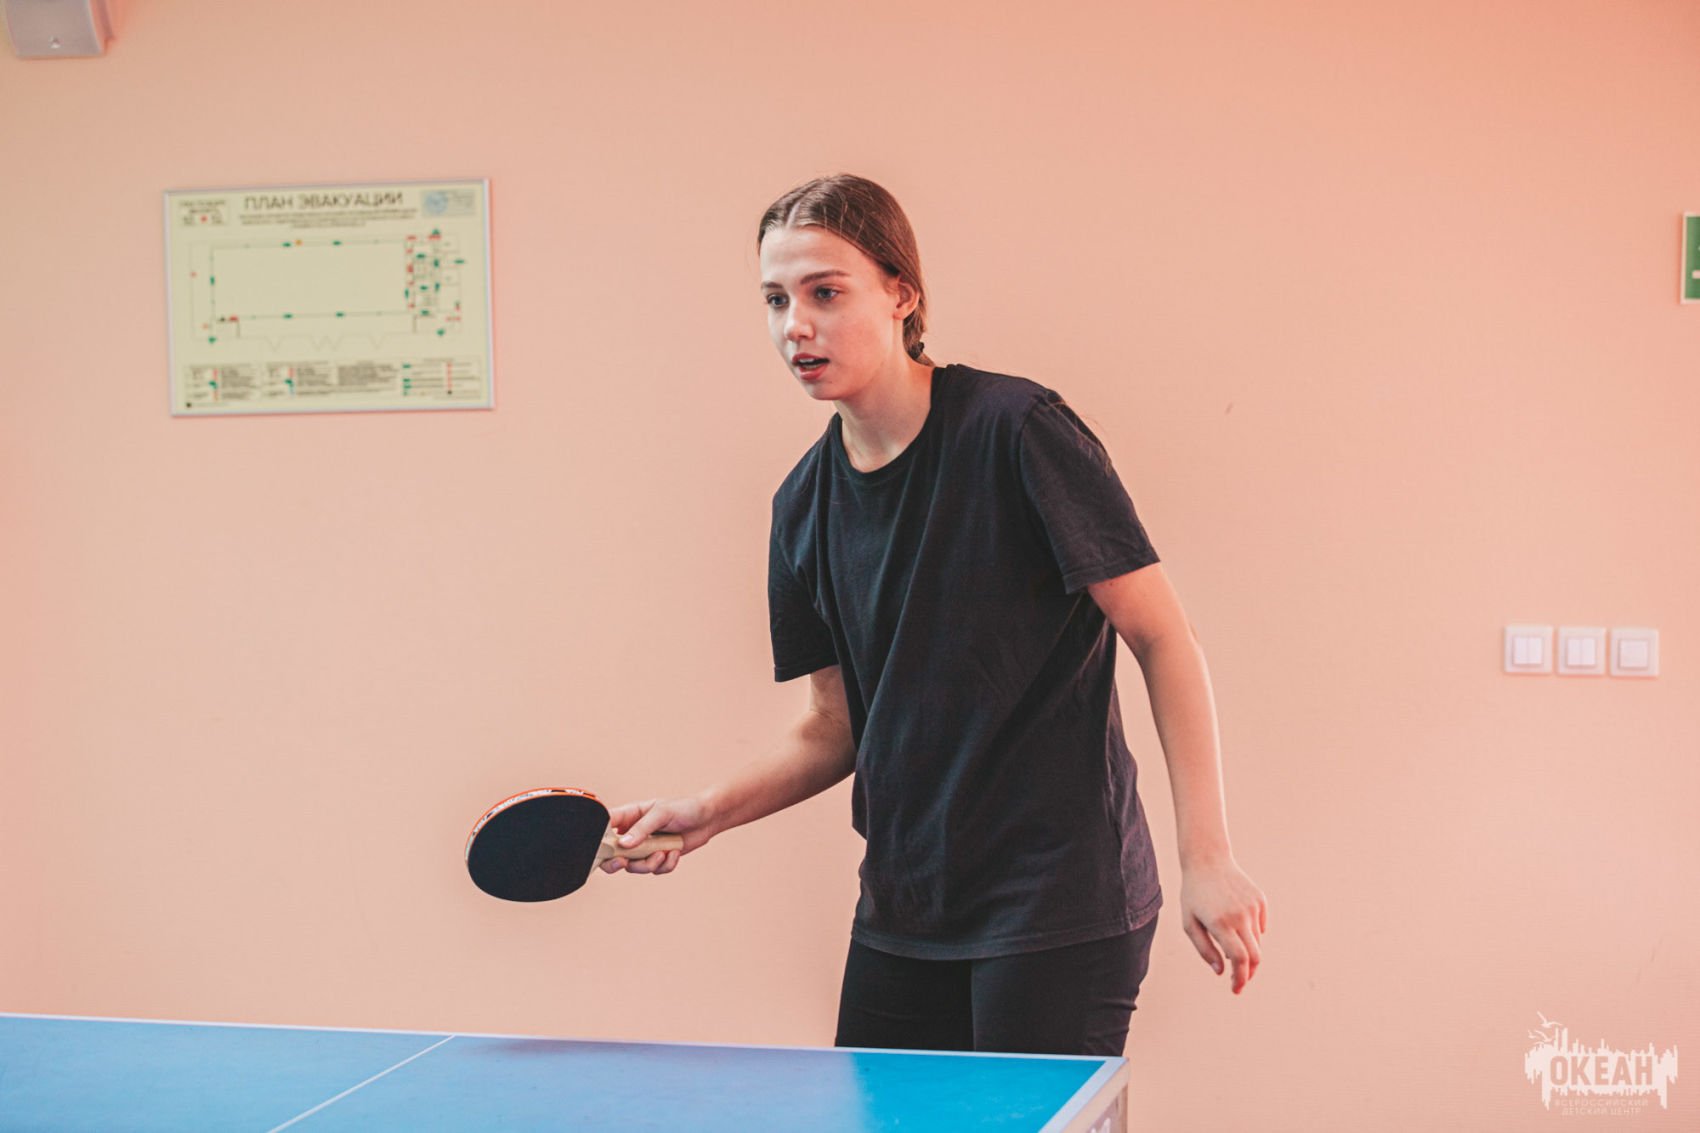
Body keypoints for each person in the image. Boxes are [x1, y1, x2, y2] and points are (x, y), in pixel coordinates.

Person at [601, 174, 1267, 1057]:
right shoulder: (801, 506)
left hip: (1057, 903)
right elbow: (834, 728)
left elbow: (1162, 635)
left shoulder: (1018, 430)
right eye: (775, 299)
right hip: (906, 909)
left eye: (825, 292)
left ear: (901, 294)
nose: (796, 325)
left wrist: (1206, 857)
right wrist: (707, 812)